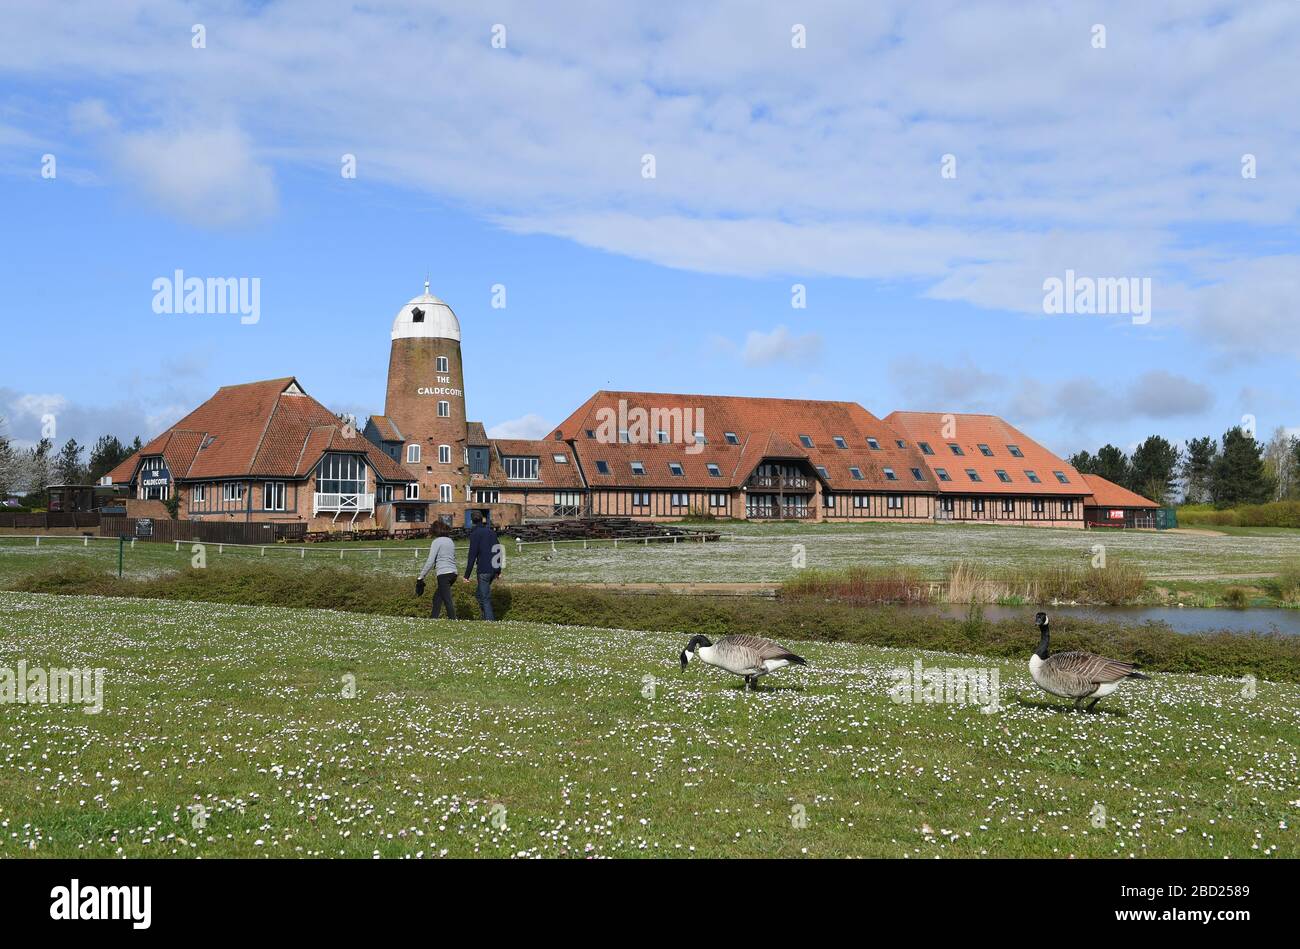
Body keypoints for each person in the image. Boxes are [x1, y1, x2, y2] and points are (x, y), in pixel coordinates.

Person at [462, 511, 502, 620]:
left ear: (472, 521)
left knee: (484, 597)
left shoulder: (475, 534)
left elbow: (472, 556)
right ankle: (485, 618)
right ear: (482, 519)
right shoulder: (491, 532)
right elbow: (498, 550)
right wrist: (498, 570)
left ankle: (490, 621)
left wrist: (466, 576)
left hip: (483, 570)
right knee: (480, 595)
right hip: (493, 569)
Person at [415, 519, 458, 619]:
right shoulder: (450, 541)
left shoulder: (436, 542)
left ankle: (453, 620)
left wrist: (421, 576)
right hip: (453, 573)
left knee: (447, 599)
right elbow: (453, 556)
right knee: (437, 598)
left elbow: (430, 561)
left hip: (443, 574)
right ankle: (433, 619)